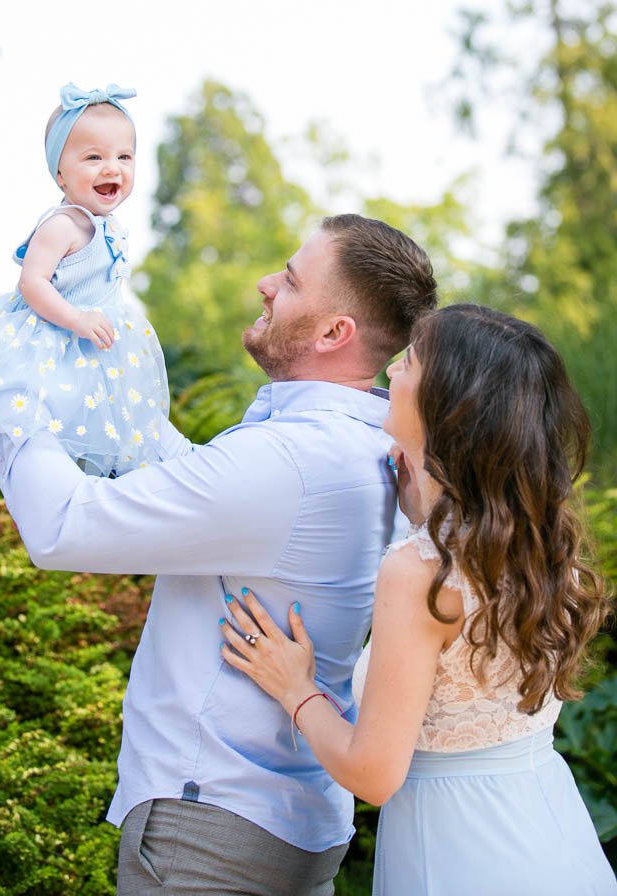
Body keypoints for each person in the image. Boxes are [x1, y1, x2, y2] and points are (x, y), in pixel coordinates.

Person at [0, 213, 438, 896]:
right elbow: (212, 487)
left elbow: (63, 528)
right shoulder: (352, 446)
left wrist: (13, 395)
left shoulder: (288, 459)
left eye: (288, 280)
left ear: (333, 332)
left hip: (209, 833)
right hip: (280, 819)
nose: (264, 284)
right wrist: (117, 391)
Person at [219, 304, 615, 896]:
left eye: (408, 362)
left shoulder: (420, 572)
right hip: (553, 834)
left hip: (461, 855)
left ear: (444, 404)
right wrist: (423, 509)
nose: (391, 371)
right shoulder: (532, 546)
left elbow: (373, 775)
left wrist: (295, 688)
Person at [0, 82, 169, 550]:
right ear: (60, 174)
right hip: (44, 348)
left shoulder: (109, 227)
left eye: (124, 157)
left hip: (83, 358)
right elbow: (32, 284)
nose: (112, 168)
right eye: (93, 158)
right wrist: (78, 320)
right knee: (12, 439)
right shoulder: (62, 224)